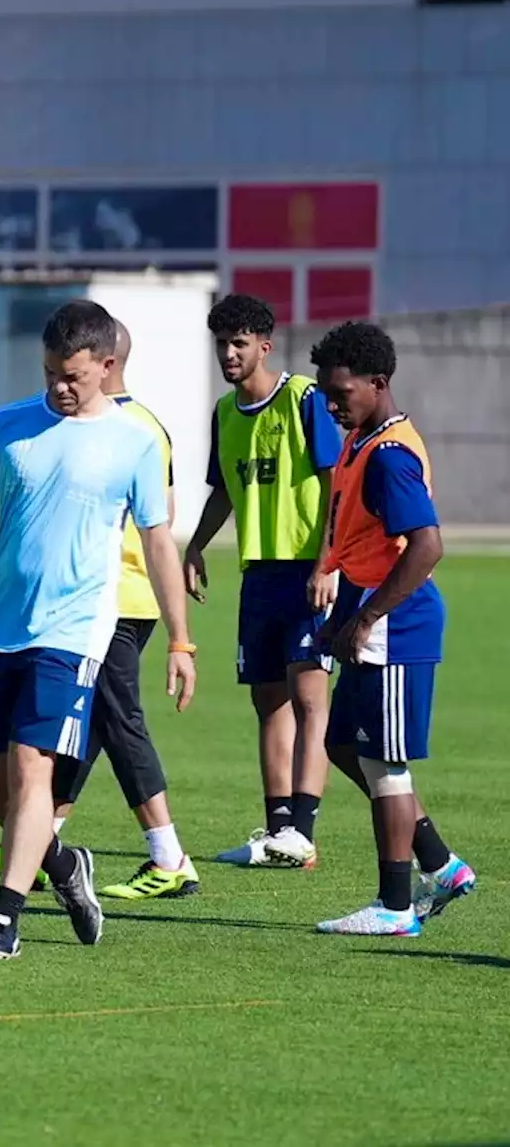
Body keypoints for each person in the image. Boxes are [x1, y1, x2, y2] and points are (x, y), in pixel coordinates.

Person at [0, 300, 196, 960]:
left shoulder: (135, 442)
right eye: (49, 373)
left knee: (30, 767)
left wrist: (180, 640)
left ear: (106, 366)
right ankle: (64, 866)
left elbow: (159, 544)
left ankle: (3, 919)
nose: (58, 387)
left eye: (71, 376)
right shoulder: (7, 425)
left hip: (75, 631)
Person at [308, 321, 475, 936]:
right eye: (327, 391)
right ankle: (441, 864)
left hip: (398, 625)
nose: (332, 403)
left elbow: (426, 546)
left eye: (341, 392)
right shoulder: (362, 439)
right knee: (344, 747)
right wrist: (343, 612)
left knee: (384, 762)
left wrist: (369, 617)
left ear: (378, 384)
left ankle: (397, 905)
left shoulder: (390, 458)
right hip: (367, 612)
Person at [183, 294, 343, 868]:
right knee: (268, 702)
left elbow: (335, 484)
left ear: (265, 347)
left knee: (309, 699)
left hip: (308, 571)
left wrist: (329, 563)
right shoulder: (225, 413)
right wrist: (196, 546)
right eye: (222, 344)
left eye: (239, 344)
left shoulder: (305, 400)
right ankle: (278, 832)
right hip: (259, 574)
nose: (228, 354)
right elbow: (223, 489)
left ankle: (304, 830)